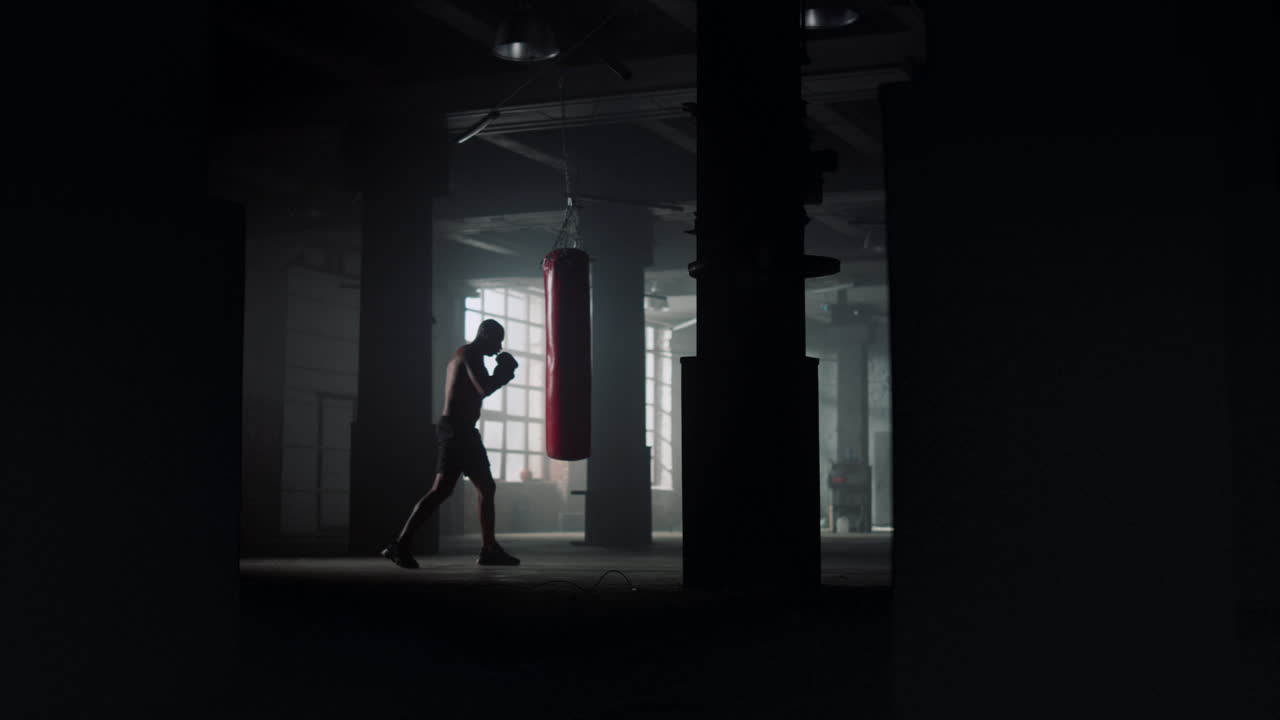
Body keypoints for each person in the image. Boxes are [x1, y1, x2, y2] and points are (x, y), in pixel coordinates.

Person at [380, 319, 521, 568]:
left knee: (486, 488)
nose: (499, 347)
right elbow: (483, 389)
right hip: (455, 431)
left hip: (465, 431)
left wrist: (501, 375)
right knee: (441, 490)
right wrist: (504, 373)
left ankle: (489, 549)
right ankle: (399, 544)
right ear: (485, 335)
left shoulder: (472, 355)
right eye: (497, 340)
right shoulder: (468, 354)